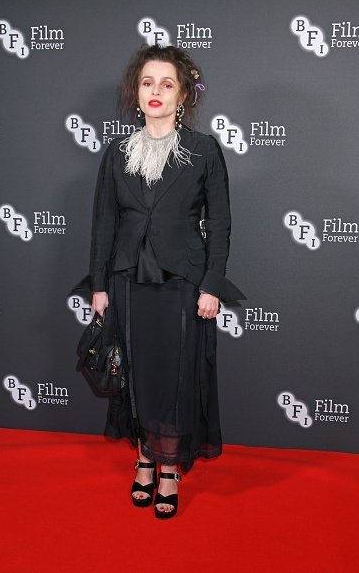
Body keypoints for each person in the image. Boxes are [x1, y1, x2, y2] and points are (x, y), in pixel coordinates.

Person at [84, 44, 246, 519]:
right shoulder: (116, 153)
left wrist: (213, 284)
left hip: (184, 282)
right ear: (136, 94)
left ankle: (169, 467)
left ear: (183, 96)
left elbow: (220, 223)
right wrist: (98, 285)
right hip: (127, 280)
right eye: (147, 83)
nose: (156, 91)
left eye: (167, 83)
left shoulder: (203, 150)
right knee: (135, 372)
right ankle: (142, 459)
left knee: (175, 376)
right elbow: (104, 223)